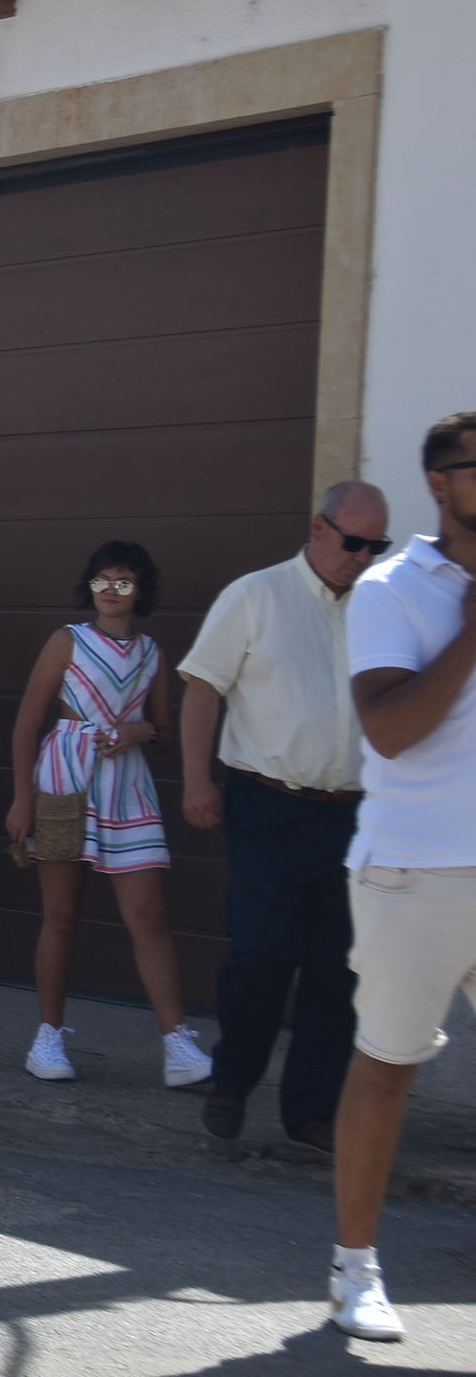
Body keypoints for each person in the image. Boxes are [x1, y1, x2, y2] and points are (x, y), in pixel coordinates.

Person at [323, 412, 476, 1343]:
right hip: (413, 868)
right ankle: (354, 1269)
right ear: (440, 482)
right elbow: (387, 726)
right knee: (386, 1068)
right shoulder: (390, 588)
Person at [181, 482, 391, 1150]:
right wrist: (196, 781)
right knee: (264, 951)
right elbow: (201, 688)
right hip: (266, 805)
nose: (362, 556)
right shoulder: (255, 594)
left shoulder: (380, 605)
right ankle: (232, 1082)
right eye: (352, 542)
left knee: (339, 967)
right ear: (318, 527)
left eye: (375, 546)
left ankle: (310, 1112)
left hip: (353, 814)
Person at [5, 542, 212, 1089]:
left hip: (128, 788)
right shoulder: (66, 641)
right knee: (62, 915)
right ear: (89, 588)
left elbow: (163, 732)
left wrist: (143, 732)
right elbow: (28, 722)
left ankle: (177, 1044)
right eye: (103, 581)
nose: (113, 591)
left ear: (141, 589)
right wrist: (21, 800)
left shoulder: (152, 652)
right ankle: (47, 1037)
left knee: (148, 915)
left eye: (124, 581)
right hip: (64, 778)